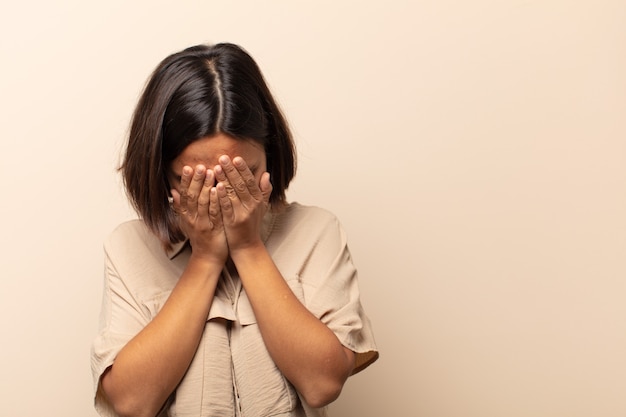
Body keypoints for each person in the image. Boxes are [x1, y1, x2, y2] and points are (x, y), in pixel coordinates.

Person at [91, 43, 378, 417]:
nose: (222, 198)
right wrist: (206, 258)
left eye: (242, 176)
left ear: (269, 156)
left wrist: (247, 246)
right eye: (194, 181)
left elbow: (322, 384)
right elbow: (131, 402)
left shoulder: (316, 231)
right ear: (160, 171)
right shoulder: (129, 247)